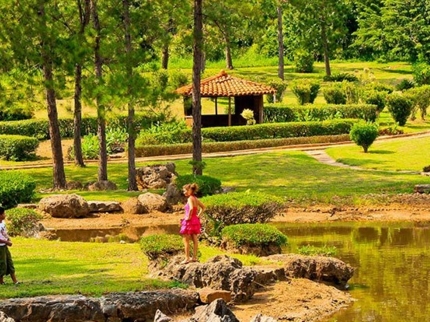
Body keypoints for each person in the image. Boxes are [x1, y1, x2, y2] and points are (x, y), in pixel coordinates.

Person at [180, 183, 205, 264]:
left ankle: (187, 258)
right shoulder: (195, 198)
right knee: (195, 239)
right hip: (195, 220)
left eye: (185, 191)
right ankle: (194, 257)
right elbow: (203, 207)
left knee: (185, 240)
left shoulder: (190, 199)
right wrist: (198, 216)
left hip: (189, 221)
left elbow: (191, 208)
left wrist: (189, 217)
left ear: (190, 190)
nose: (184, 192)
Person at [0, 206, 19, 285]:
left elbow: (3, 232)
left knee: (9, 262)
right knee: (2, 263)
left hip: (4, 245)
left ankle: (15, 281)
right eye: (3, 213)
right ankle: (1, 282)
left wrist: (8, 238)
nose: (5, 215)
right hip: (0, 247)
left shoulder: (3, 223)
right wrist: (7, 242)